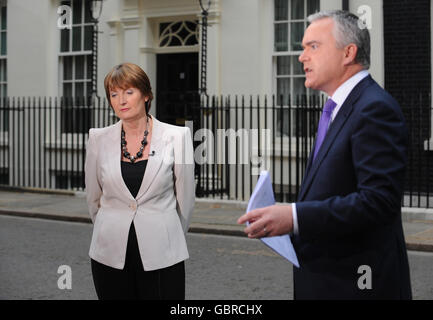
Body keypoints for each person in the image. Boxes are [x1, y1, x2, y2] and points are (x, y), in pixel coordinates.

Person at [238, 10, 412, 299]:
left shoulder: (373, 109)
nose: (301, 57)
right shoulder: (338, 107)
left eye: (313, 46)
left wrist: (294, 216)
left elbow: (378, 202)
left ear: (348, 53)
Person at [85, 62, 195, 300]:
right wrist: (111, 225)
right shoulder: (98, 139)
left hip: (162, 254)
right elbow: (93, 199)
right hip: (110, 254)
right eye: (113, 94)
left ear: (146, 95)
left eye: (128, 92)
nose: (121, 100)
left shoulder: (178, 136)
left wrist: (167, 234)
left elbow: (185, 200)